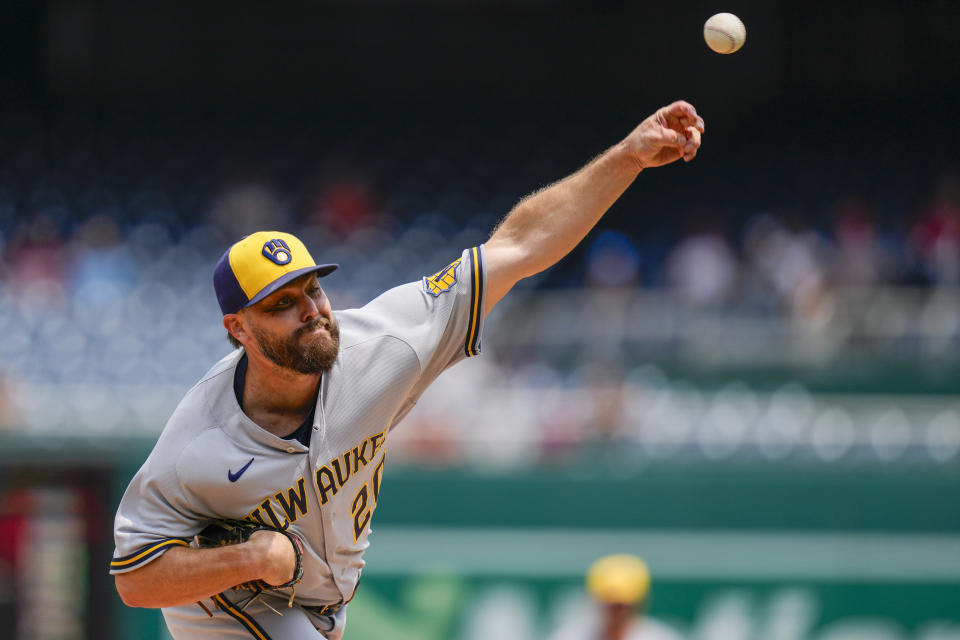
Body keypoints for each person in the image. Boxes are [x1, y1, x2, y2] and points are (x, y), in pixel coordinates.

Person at [109, 101, 705, 639]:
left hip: (320, 605)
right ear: (237, 329)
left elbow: (519, 245)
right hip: (232, 606)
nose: (311, 312)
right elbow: (134, 580)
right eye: (281, 305)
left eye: (312, 290)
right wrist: (250, 560)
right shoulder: (199, 436)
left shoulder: (385, 345)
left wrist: (627, 158)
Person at [550, 554, 684, 640]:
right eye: (611, 605)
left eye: (624, 605)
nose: (617, 613)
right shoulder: (569, 636)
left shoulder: (660, 637)